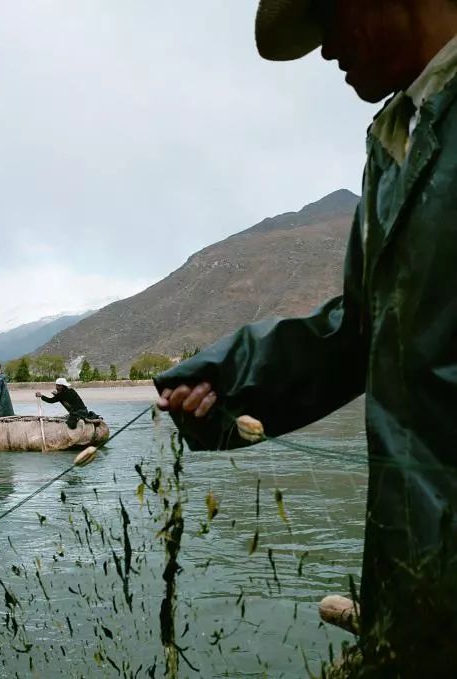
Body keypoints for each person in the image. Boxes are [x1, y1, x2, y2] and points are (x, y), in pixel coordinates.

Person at [156, 1, 457, 674]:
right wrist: (227, 380)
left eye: (332, 15)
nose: (326, 51)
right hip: (418, 592)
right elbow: (358, 331)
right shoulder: (392, 145)